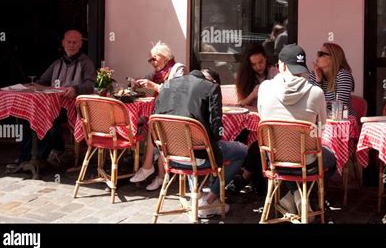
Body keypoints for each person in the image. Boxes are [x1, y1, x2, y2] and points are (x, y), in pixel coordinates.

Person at [150, 68, 247, 218]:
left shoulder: (167, 85)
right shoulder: (211, 87)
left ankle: (197, 196)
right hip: (198, 158)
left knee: (189, 145)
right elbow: (216, 132)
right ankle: (209, 200)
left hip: (171, 158)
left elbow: (154, 123)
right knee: (242, 151)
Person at [257, 44, 337, 216]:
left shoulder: (264, 88)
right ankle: (301, 197)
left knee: (299, 157)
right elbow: (321, 129)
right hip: (305, 162)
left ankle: (291, 197)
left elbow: (262, 117)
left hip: (274, 159)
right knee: (331, 160)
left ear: (282, 66)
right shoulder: (316, 93)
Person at [9, 29, 96, 168]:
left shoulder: (86, 63)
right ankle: (26, 156)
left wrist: (75, 89)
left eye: (75, 42)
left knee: (50, 117)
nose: (71, 45)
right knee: (26, 116)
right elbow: (43, 81)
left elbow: (91, 84)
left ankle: (53, 151)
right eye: (69, 42)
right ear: (63, 43)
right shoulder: (57, 63)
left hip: (73, 107)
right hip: (53, 104)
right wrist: (30, 87)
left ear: (80, 44)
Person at [130, 41, 187, 190]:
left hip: (177, 113)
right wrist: (136, 83)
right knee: (151, 124)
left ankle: (150, 169)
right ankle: (158, 175)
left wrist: (154, 86)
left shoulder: (178, 68)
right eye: (150, 60)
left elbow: (176, 91)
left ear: (165, 57)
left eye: (154, 59)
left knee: (156, 126)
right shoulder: (156, 74)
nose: (152, 63)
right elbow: (145, 80)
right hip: (162, 113)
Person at [309, 42, 356, 117]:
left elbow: (339, 106)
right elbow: (311, 101)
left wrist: (319, 106)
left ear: (333, 58)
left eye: (321, 54)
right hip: (320, 119)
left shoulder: (343, 74)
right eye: (318, 53)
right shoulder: (314, 74)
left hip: (341, 121)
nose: (317, 56)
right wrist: (318, 81)